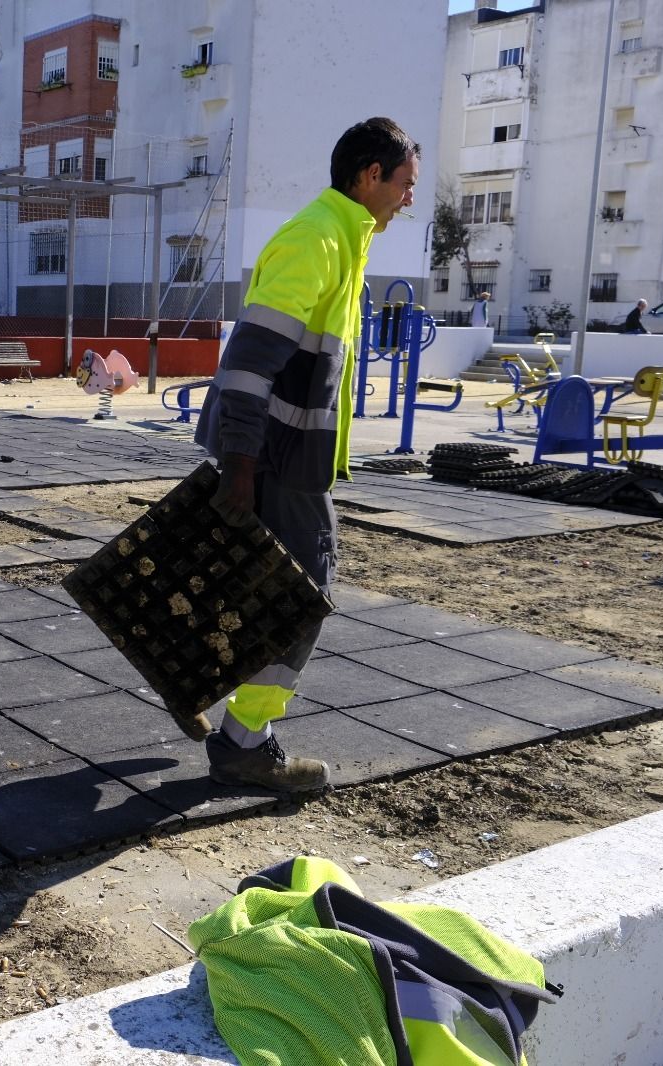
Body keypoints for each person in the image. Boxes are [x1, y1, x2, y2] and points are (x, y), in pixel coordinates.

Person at [194, 116, 419, 793]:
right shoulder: (318, 241)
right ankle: (245, 742)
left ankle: (192, 686)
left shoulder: (344, 241)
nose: (410, 198)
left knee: (237, 581)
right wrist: (240, 467)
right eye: (405, 184)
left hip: (275, 452)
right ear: (369, 176)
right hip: (271, 456)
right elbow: (248, 363)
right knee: (304, 594)